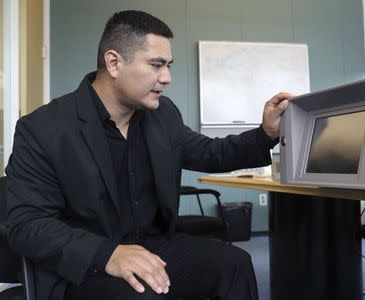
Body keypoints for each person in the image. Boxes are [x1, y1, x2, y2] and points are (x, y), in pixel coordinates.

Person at [6, 10, 292, 300]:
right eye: (156, 65)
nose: (166, 77)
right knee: (143, 294)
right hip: (86, 264)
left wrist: (265, 134)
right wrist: (108, 254)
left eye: (168, 66)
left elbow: (209, 152)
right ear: (114, 62)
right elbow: (26, 224)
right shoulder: (42, 128)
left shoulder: (163, 114)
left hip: (154, 246)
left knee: (235, 264)